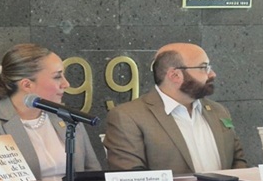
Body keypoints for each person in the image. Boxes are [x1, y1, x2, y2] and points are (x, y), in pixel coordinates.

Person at [0, 43, 101, 181]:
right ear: (27, 85)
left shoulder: (66, 116)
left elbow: (93, 174)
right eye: (57, 77)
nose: (66, 84)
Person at [103, 43, 246, 174]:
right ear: (175, 75)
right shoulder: (128, 116)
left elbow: (238, 161)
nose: (212, 74)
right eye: (203, 67)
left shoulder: (218, 111)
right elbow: (131, 178)